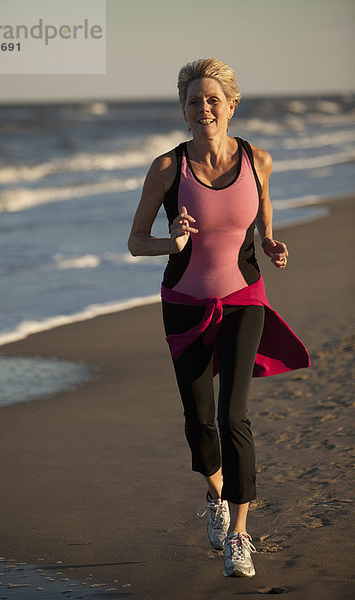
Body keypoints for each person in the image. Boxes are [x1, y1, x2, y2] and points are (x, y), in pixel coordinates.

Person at [128, 58, 310, 578]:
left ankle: (239, 534)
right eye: (193, 100)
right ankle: (214, 497)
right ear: (183, 111)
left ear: (232, 105)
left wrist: (271, 243)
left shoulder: (259, 160)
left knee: (234, 416)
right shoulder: (168, 168)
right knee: (198, 419)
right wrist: (172, 241)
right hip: (185, 302)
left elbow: (262, 221)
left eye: (213, 99)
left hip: (244, 297)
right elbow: (135, 240)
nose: (204, 107)